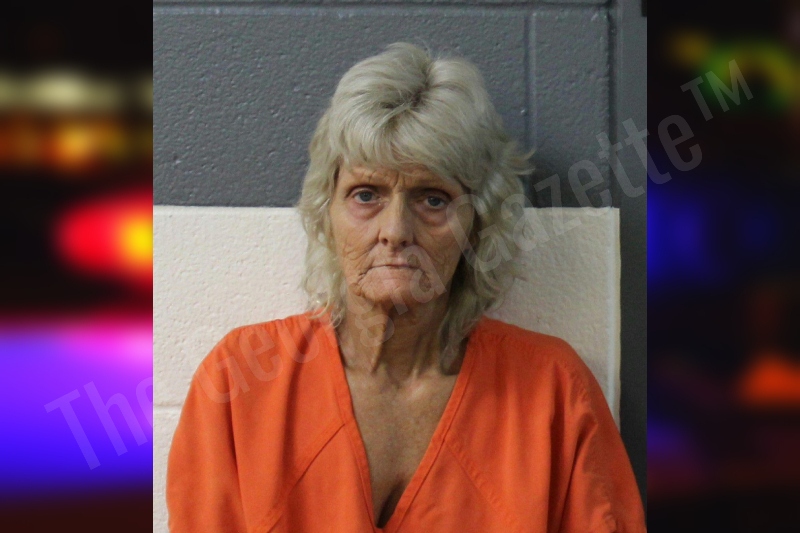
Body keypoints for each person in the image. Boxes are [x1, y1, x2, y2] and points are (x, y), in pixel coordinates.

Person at [166, 42, 646, 532]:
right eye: (366, 195)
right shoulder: (238, 384)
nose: (395, 230)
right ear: (326, 212)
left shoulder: (553, 393)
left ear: (478, 225)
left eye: (433, 199)